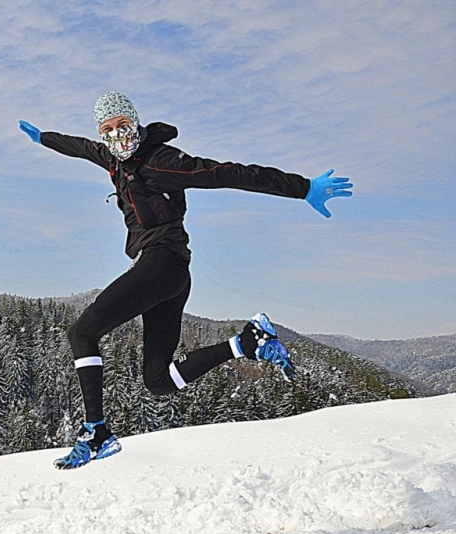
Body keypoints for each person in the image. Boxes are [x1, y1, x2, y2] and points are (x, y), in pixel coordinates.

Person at [18, 91, 353, 470]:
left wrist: (302, 187)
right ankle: (247, 342)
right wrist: (43, 138)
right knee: (159, 381)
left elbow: (229, 173)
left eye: (122, 126)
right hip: (169, 274)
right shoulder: (112, 158)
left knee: (82, 333)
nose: (116, 136)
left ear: (135, 123)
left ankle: (96, 431)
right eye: (107, 130)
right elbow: (80, 147)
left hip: (162, 263)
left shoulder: (161, 162)